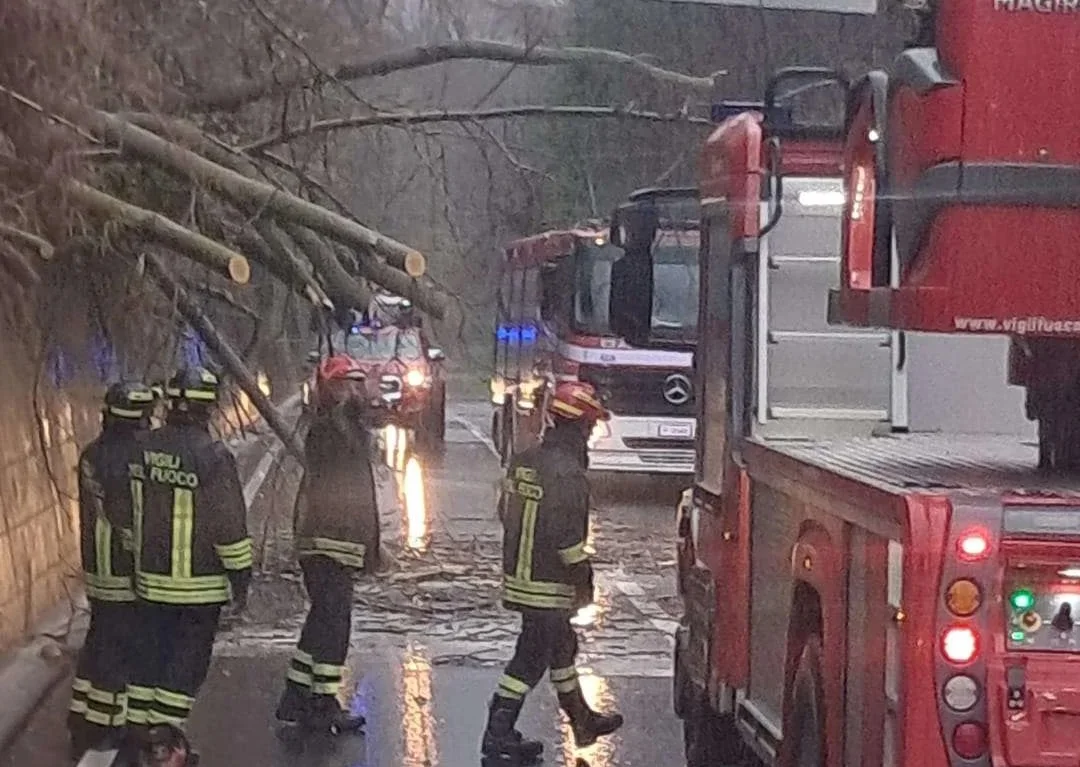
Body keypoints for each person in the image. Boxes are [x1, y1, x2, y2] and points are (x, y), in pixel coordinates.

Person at [481, 381, 624, 762]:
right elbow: (569, 541)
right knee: (529, 660)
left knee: (561, 648)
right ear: (580, 427)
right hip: (549, 584)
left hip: (519, 576)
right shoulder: (569, 474)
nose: (591, 434)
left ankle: (581, 719)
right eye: (591, 427)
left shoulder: (524, 460)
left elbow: (504, 513)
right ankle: (497, 734)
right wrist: (584, 582)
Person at [122, 366, 251, 755]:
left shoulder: (140, 450)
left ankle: (140, 736)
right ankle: (164, 736)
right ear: (206, 409)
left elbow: (122, 510)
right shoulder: (212, 457)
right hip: (198, 587)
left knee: (149, 663)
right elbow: (229, 525)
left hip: (148, 583)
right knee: (186, 667)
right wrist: (241, 578)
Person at [274, 355, 379, 734]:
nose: (357, 390)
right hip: (327, 542)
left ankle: (299, 696)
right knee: (334, 626)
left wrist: (371, 548)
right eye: (349, 383)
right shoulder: (331, 429)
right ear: (333, 388)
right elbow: (346, 487)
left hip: (338, 542)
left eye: (358, 383)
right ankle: (320, 702)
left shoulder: (344, 425)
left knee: (322, 623)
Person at [68, 381, 155, 760]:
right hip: (125, 569)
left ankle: (82, 716)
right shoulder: (139, 458)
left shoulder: (93, 454)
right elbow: (131, 519)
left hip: (97, 569)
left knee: (100, 640)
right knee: (120, 650)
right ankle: (106, 727)